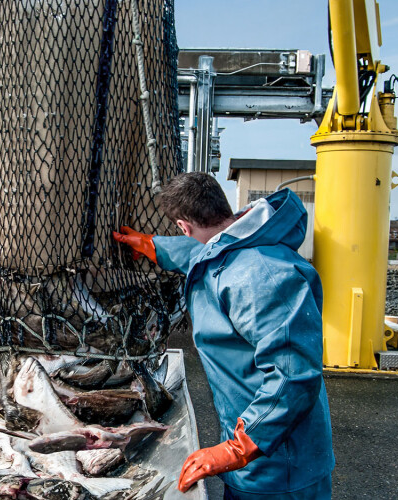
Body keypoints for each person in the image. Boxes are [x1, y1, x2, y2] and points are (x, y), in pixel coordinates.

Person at [113, 173, 334, 499]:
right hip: (252, 455)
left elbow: (293, 374)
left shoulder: (263, 275)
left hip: (281, 465)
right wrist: (153, 245)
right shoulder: (237, 240)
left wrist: (238, 449)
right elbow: (199, 254)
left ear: (184, 225)